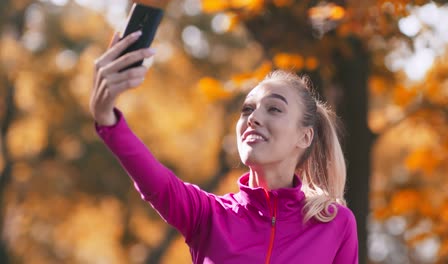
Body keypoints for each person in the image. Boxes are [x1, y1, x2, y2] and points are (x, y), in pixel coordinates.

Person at [90, 31, 359, 264]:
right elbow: (156, 183)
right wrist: (107, 119)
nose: (253, 118)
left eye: (274, 108)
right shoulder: (207, 216)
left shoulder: (334, 224)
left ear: (304, 137)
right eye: (247, 109)